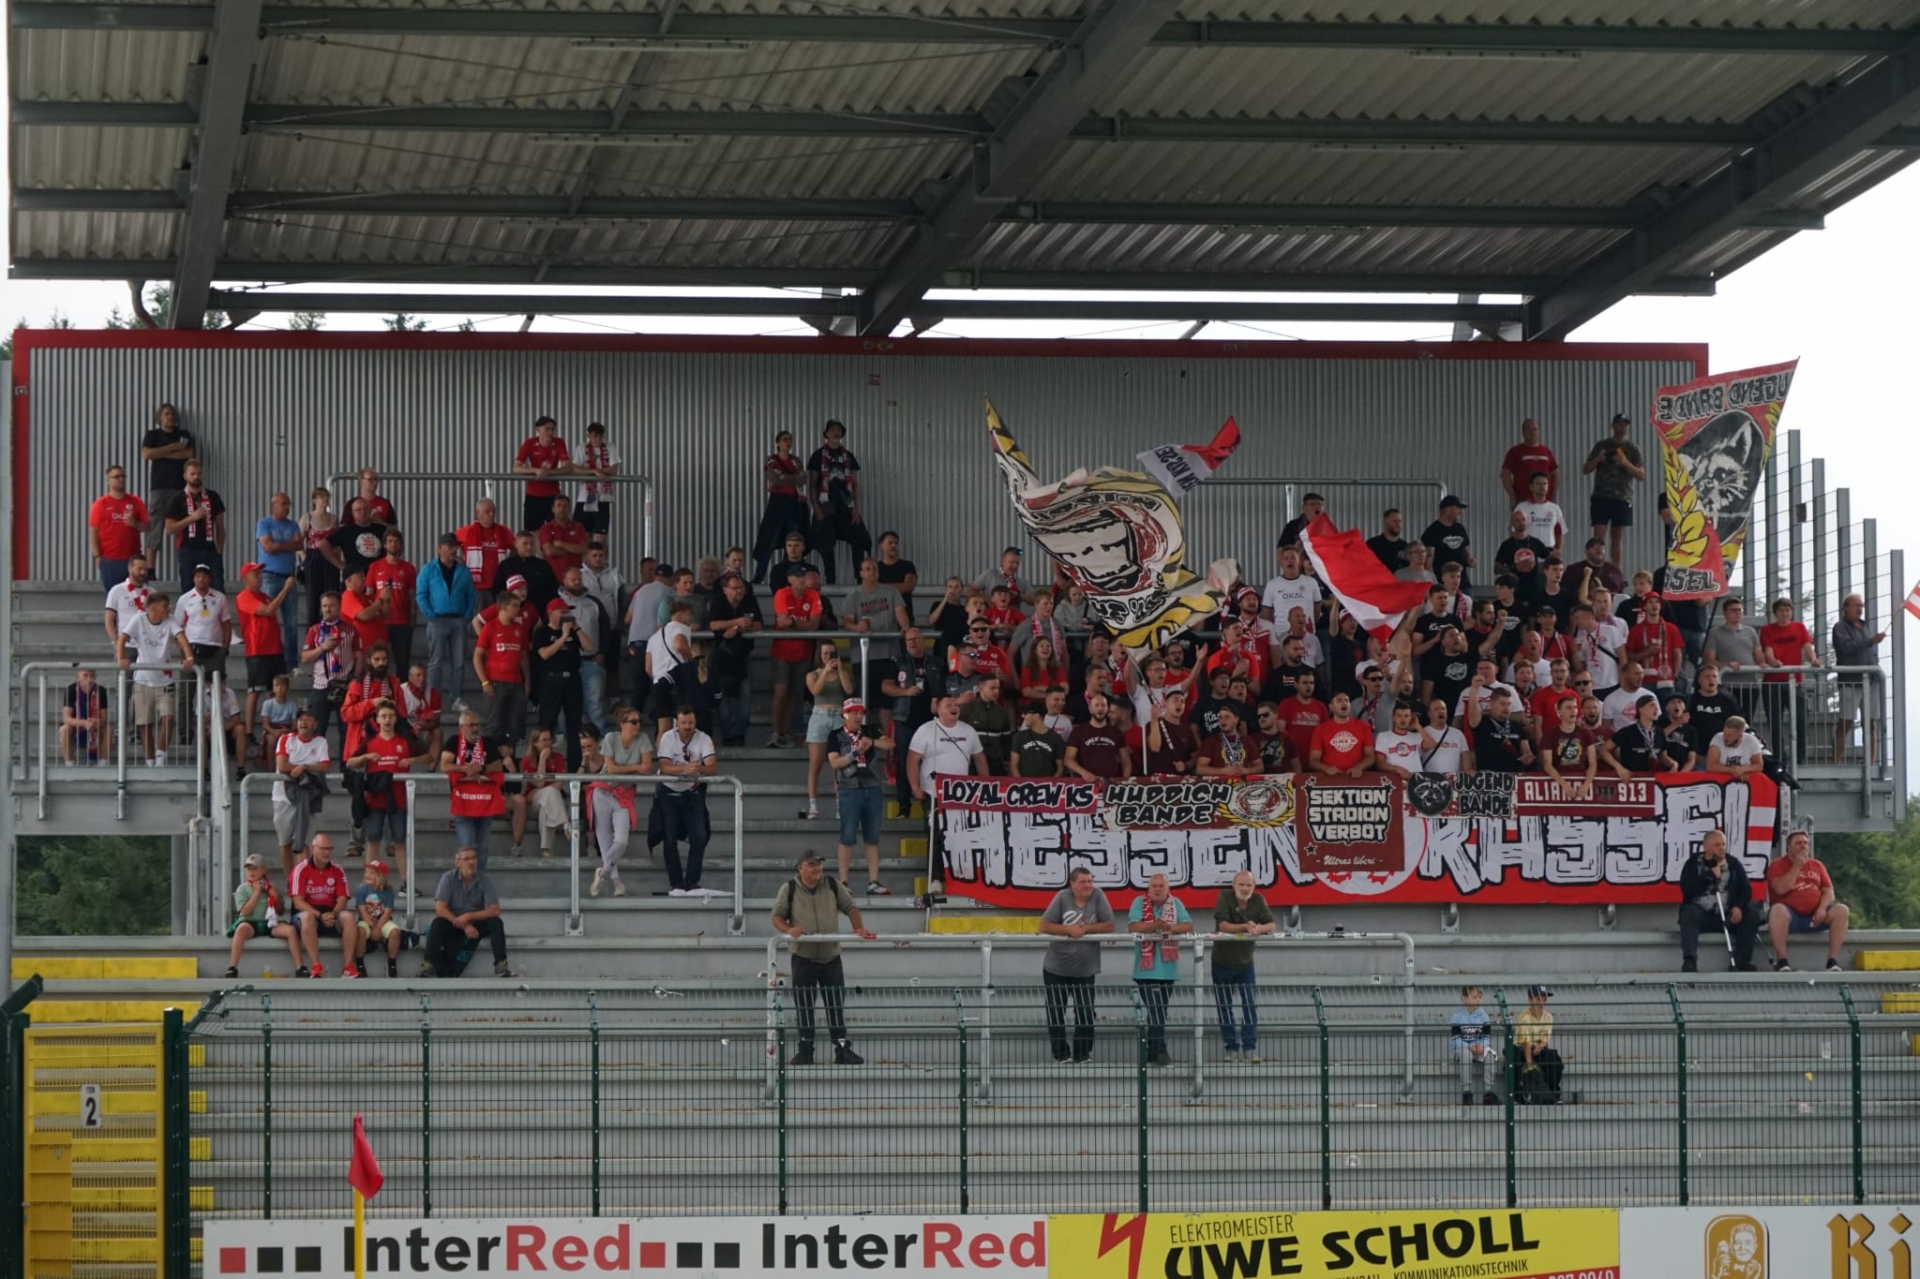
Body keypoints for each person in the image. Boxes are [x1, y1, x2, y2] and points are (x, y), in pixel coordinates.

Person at [770, 850, 876, 1066]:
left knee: (836, 1006)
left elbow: (851, 907)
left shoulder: (833, 885)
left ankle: (842, 1050)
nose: (818, 868)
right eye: (812, 864)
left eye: (819, 864)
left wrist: (859, 928)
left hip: (831, 957)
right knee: (805, 1008)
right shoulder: (788, 889)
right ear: (800, 867)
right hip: (803, 957)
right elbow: (777, 916)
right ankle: (806, 1051)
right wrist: (789, 929)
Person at [906, 695, 989, 896]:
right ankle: (935, 878)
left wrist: (986, 786)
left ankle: (961, 877)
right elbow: (911, 760)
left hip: (962, 795)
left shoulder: (968, 731)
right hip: (933, 793)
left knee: (961, 836)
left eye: (956, 705)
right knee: (935, 834)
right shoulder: (926, 730)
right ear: (938, 709)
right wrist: (915, 787)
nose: (954, 708)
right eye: (948, 705)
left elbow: (979, 759)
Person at [1037, 866, 1114, 1063]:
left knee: (1086, 1011)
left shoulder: (1098, 896)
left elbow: (1109, 925)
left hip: (1086, 968)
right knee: (1055, 1011)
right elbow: (1044, 925)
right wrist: (1068, 930)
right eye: (1083, 882)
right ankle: (1061, 1055)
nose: (1088, 885)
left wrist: (1086, 928)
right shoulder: (1062, 897)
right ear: (1072, 884)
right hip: (1056, 968)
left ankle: (1082, 1054)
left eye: (1090, 881)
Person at [117, 591, 191, 766]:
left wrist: (189, 658)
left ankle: (160, 756)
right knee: (144, 723)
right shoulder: (139, 619)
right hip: (143, 680)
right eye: (165, 606)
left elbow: (182, 638)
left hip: (165, 679)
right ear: (153, 608)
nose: (168, 609)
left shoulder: (170, 619)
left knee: (168, 717)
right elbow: (122, 639)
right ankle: (149, 761)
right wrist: (121, 658)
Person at [828, 699, 892, 895]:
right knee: (847, 835)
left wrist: (871, 742)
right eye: (853, 712)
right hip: (849, 788)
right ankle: (844, 883)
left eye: (860, 713)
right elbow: (834, 763)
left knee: (872, 836)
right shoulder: (835, 735)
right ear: (845, 715)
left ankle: (873, 881)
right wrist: (856, 752)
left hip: (872, 786)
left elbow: (890, 743)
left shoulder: (870, 730)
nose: (857, 717)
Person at [1127, 873, 1192, 1068]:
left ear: (1168, 889)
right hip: (1145, 971)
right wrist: (1154, 925)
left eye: (1161, 886)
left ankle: (1150, 1053)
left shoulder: (1175, 903)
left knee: (1158, 1013)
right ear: (1148, 889)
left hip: (1168, 970)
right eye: (1154, 885)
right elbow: (1133, 926)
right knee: (1156, 1012)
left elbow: (1188, 925)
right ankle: (1161, 1051)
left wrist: (1169, 927)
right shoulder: (1139, 902)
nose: (1157, 889)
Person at [587, 710, 653, 897]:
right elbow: (612, 768)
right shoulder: (610, 737)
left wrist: (635, 769)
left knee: (621, 840)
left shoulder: (643, 739)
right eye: (633, 722)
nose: (638, 725)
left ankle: (602, 872)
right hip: (603, 792)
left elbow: (647, 769)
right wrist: (636, 768)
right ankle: (617, 884)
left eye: (639, 721)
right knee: (606, 842)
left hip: (622, 794)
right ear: (622, 724)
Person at [349, 702, 420, 876]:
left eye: (390, 716)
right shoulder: (370, 742)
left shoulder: (404, 740)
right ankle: (370, 881)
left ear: (395, 719)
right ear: (377, 720)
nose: (387, 719)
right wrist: (365, 757)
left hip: (399, 798)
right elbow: (349, 762)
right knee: (373, 839)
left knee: (400, 841)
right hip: (376, 798)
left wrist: (412, 761)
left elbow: (429, 756)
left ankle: (406, 884)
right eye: (384, 716)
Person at [1211, 870, 1274, 1063]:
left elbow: (1271, 924)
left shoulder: (1258, 900)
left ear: (1253, 887)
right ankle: (1231, 1048)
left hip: (1246, 963)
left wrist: (1259, 929)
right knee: (1224, 1007)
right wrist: (1246, 927)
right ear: (1234, 885)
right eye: (1241, 885)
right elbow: (1222, 925)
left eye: (1249, 885)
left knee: (1249, 1005)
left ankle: (1249, 1048)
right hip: (1221, 962)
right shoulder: (1224, 897)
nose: (1245, 888)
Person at [1766, 830, 1850, 972]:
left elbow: (1829, 892)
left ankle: (1832, 960)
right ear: (1789, 847)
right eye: (1798, 843)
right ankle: (1782, 961)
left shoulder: (1817, 865)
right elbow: (1780, 889)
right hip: (1791, 917)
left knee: (1842, 910)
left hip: (1816, 915)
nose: (1803, 846)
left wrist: (1822, 908)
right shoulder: (1777, 865)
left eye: (1805, 843)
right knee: (1777, 910)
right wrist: (1797, 866)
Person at [655, 706, 717, 896]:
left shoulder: (704, 738)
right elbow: (664, 766)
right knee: (670, 840)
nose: (687, 727)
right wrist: (685, 768)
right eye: (683, 723)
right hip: (668, 793)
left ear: (695, 722)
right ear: (677, 723)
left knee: (700, 837)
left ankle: (691, 882)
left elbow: (713, 767)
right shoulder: (667, 737)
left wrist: (698, 769)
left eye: (690, 722)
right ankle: (676, 884)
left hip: (692, 793)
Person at [422, 846, 509, 978]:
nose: (471, 862)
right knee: (438, 923)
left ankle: (501, 965)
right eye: (467, 859)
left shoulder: (485, 880)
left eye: (474, 858)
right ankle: (429, 965)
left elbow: (495, 910)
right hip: (454, 921)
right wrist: (464, 924)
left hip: (477, 921)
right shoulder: (448, 878)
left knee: (496, 923)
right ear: (457, 862)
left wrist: (469, 916)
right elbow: (440, 909)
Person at [1678, 829, 1758, 972]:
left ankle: (1741, 961)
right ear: (1706, 847)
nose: (1721, 848)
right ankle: (1690, 960)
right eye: (1716, 845)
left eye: (1723, 844)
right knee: (1688, 913)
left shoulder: (1733, 863)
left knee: (1751, 914)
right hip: (1703, 914)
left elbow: (1746, 889)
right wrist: (1709, 875)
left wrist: (1739, 906)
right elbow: (1688, 889)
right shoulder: (1693, 863)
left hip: (1728, 915)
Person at [415, 533, 477, 710]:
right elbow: (421, 595)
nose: (453, 549)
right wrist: (430, 615)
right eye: (449, 546)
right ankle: (434, 700)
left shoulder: (463, 571)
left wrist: (466, 616)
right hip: (438, 620)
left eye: (455, 546)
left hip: (458, 620)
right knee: (436, 661)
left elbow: (471, 595)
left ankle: (456, 699)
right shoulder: (428, 570)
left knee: (458, 663)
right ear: (439, 548)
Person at [236, 561, 294, 745]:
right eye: (255, 574)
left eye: (260, 573)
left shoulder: (264, 596)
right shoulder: (244, 597)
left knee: (273, 691)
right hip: (257, 649)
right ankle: (249, 731)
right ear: (245, 578)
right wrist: (285, 589)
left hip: (274, 648)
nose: (259, 577)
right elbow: (269, 612)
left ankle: (272, 727)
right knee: (255, 691)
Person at [769, 563, 825, 748]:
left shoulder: (814, 595)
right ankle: (777, 732)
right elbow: (782, 622)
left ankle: (785, 733)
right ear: (790, 579)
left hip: (803, 652)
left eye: (804, 577)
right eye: (798, 577)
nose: (801, 581)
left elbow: (814, 625)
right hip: (782, 651)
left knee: (795, 694)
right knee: (781, 692)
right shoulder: (782, 594)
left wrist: (792, 622)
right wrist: (801, 624)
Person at [534, 597, 592, 770]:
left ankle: (575, 771)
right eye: (563, 612)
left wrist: (577, 629)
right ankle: (544, 768)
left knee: (575, 727)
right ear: (551, 613)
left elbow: (590, 647)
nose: (567, 615)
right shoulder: (542, 633)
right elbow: (544, 654)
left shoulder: (573, 632)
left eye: (568, 611)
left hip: (572, 680)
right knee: (547, 725)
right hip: (551, 680)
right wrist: (563, 636)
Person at [808, 419, 869, 584]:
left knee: (859, 538)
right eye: (833, 429)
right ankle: (831, 580)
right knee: (826, 542)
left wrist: (856, 508)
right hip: (826, 505)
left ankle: (860, 579)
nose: (836, 432)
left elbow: (855, 485)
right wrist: (816, 507)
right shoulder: (818, 455)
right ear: (826, 433)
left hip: (846, 504)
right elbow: (812, 485)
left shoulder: (848, 456)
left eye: (839, 430)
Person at [1581, 412, 1645, 567]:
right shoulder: (1602, 445)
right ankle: (1596, 568)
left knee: (1617, 537)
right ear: (1613, 425)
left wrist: (1625, 463)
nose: (1622, 427)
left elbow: (1641, 475)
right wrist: (1597, 459)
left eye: (1625, 424)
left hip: (1622, 497)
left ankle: (1616, 571)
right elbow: (1585, 469)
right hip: (1601, 497)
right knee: (1598, 536)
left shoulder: (1631, 448)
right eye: (1619, 423)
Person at [224, 854, 303, 979]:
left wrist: (274, 897)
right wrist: (256, 893)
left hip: (268, 922)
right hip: (250, 922)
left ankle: (300, 967)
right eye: (249, 869)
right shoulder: (242, 889)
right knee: (241, 929)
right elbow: (245, 912)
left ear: (263, 870)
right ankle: (233, 967)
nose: (251, 872)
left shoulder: (272, 887)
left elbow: (280, 911)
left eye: (255, 869)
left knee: (290, 930)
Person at [1830, 593, 1886, 766]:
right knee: (1846, 722)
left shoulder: (1865, 626)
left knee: (1871, 723)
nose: (1860, 609)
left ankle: (1871, 763)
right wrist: (1870, 641)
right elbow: (1846, 647)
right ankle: (1837, 762)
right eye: (1856, 605)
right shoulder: (1839, 627)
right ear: (1846, 608)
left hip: (1870, 681)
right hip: (1851, 681)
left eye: (1861, 605)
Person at [273, 707, 330, 877]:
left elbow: (325, 766)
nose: (303, 722)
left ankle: (303, 884)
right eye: (300, 719)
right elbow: (282, 765)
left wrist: (304, 768)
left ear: (315, 723)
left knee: (305, 842)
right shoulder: (285, 739)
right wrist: (302, 769)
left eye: (308, 718)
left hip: (308, 796)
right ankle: (291, 882)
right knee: (285, 843)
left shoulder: (321, 742)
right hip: (283, 797)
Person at [474, 592, 531, 749]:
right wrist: (485, 682)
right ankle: (492, 761)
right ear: (504, 607)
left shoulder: (519, 629)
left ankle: (512, 765)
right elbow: (477, 657)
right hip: (496, 681)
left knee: (515, 725)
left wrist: (527, 681)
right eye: (515, 606)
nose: (518, 609)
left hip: (516, 682)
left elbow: (523, 657)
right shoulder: (490, 628)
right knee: (494, 725)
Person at [290, 833, 352, 978]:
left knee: (348, 917)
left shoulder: (337, 869)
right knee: (307, 917)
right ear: (313, 848)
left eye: (330, 849)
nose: (327, 852)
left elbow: (343, 898)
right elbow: (298, 902)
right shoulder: (301, 869)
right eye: (323, 849)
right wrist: (319, 915)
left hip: (330, 914)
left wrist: (334, 914)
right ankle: (316, 965)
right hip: (307, 913)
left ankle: (348, 966)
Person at [752, 430, 810, 583]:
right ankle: (759, 577)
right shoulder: (771, 460)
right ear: (778, 443)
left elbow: (803, 479)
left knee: (792, 542)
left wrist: (786, 477)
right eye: (784, 439)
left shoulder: (796, 461)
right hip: (777, 503)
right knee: (769, 541)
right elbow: (775, 480)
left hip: (794, 504)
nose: (787, 442)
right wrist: (793, 478)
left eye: (789, 439)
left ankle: (791, 577)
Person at [140, 402, 194, 565]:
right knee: (155, 527)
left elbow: (189, 454)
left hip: (181, 488)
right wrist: (174, 447)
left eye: (172, 414)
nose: (170, 417)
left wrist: (161, 453)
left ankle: (186, 567)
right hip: (159, 488)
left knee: (184, 527)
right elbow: (147, 454)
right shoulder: (153, 435)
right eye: (166, 414)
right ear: (160, 417)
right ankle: (150, 569)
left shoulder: (184, 434)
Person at [90, 463, 151, 594]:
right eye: (116, 476)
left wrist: (135, 523)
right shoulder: (100, 504)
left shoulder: (136, 502)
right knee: (114, 596)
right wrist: (97, 556)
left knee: (138, 595)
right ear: (108, 480)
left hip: (133, 558)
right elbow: (93, 531)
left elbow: (147, 527)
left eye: (123, 476)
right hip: (110, 559)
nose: (121, 479)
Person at [366, 530, 418, 671]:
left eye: (396, 541)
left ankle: (400, 692)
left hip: (402, 623)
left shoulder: (408, 568)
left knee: (402, 663)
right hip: (380, 622)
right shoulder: (375, 567)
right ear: (384, 544)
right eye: (389, 541)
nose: (393, 544)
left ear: (401, 545)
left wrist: (412, 621)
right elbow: (369, 595)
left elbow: (412, 596)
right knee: (378, 663)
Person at [519, 726, 574, 860]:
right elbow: (539, 783)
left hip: (552, 797)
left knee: (547, 806)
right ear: (535, 743)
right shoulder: (526, 760)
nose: (548, 743)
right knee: (549, 792)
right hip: (534, 798)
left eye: (549, 740)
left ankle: (546, 849)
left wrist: (549, 790)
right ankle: (565, 822)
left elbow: (560, 783)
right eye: (544, 740)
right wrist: (543, 759)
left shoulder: (558, 757)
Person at [513, 415, 571, 532]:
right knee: (533, 532)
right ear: (538, 429)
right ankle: (536, 551)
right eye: (547, 429)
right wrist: (535, 470)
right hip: (533, 495)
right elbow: (516, 467)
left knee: (556, 530)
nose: (550, 432)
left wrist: (547, 472)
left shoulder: (559, 442)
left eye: (552, 429)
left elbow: (567, 467)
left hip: (553, 495)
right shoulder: (530, 443)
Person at [456, 498, 516, 606]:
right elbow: (448, 546)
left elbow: (516, 547)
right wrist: (460, 563)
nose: (492, 514)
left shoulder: (503, 531)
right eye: (487, 511)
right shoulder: (466, 531)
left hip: (499, 585)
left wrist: (509, 563)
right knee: (478, 620)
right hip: (477, 587)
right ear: (478, 513)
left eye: (493, 511)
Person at [298, 486, 342, 636]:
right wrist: (305, 558)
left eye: (327, 497)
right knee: (313, 598)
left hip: (330, 559)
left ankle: (333, 631)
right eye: (321, 497)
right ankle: (313, 636)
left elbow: (337, 543)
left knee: (332, 595)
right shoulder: (307, 518)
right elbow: (298, 541)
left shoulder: (334, 519)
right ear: (314, 500)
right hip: (313, 557)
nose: (325, 500)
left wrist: (338, 560)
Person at [173, 561, 231, 673]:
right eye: (198, 576)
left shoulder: (220, 598)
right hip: (191, 646)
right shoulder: (184, 599)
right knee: (188, 686)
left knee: (216, 686)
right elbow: (177, 627)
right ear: (193, 579)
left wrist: (224, 649)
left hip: (215, 646)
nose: (201, 579)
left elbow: (227, 625)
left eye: (204, 576)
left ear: (210, 579)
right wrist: (182, 649)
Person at [1511, 985, 1564, 1106]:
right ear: (1530, 1000)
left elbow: (1546, 1038)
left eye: (1544, 999)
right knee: (1515, 1062)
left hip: (1538, 1047)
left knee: (1555, 1061)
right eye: (1538, 999)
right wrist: (1530, 1064)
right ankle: (1518, 1096)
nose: (1542, 1003)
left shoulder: (1548, 1016)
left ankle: (1553, 1094)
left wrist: (1541, 1046)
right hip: (1521, 1048)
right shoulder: (1524, 1017)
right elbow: (1526, 1042)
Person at [349, 859, 402, 979]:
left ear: (380, 876)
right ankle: (360, 963)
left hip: (383, 921)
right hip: (366, 921)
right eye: (366, 872)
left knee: (395, 932)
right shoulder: (362, 890)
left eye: (372, 873)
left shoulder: (388, 891)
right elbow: (362, 910)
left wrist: (378, 927)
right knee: (361, 931)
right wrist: (373, 926)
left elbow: (387, 911)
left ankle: (392, 962)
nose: (367, 875)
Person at [322, 496, 388, 590]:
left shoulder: (382, 530)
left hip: (378, 577)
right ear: (353, 513)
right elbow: (323, 545)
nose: (362, 512)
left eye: (365, 509)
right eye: (358, 510)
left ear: (370, 511)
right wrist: (340, 565)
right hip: (354, 579)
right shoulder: (346, 530)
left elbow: (394, 545)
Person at [1539, 693, 1597, 799]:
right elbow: (1548, 765)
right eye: (1568, 708)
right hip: (1558, 781)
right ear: (1559, 711)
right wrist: (1564, 785)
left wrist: (1586, 785)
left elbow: (1593, 763)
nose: (1573, 710)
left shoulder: (1586, 733)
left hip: (1581, 779)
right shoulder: (1550, 734)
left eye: (1575, 707)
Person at [1450, 985, 1498, 1106]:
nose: (1478, 1000)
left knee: (1490, 1055)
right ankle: (1467, 1093)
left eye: (1480, 997)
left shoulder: (1484, 1016)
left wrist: (1482, 1045)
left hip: (1479, 1048)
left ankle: (1488, 1093)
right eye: (1475, 997)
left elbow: (1487, 1037)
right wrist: (1468, 1046)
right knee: (1465, 1053)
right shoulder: (1457, 1017)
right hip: (1463, 1049)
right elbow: (1455, 1039)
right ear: (1465, 999)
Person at [571, 421, 620, 538]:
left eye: (600, 436)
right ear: (588, 436)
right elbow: (574, 468)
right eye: (594, 436)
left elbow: (614, 469)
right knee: (583, 537)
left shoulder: (610, 447)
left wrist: (599, 471)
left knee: (601, 537)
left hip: (603, 497)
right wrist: (593, 471)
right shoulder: (581, 448)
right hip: (584, 497)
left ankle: (600, 556)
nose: (597, 439)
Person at [1065, 692, 1130, 780]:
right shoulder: (1078, 731)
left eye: (1103, 705)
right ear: (1090, 709)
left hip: (1110, 784)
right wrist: (1084, 773)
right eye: (1096, 705)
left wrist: (1125, 780)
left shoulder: (1116, 732)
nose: (1100, 708)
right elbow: (1068, 759)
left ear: (1107, 709)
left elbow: (1126, 761)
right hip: (1085, 785)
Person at [1308, 692, 1375, 777]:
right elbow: (1313, 760)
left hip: (1356, 777)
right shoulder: (1320, 729)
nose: (1344, 703)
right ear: (1331, 707)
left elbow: (1370, 756)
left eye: (1346, 700)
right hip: (1331, 778)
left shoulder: (1363, 727)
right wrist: (1325, 768)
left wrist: (1359, 767)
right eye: (1339, 700)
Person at [498, 530, 560, 616]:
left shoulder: (543, 565)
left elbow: (552, 590)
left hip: (539, 612)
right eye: (525, 543)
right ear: (516, 544)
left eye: (531, 544)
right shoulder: (506, 565)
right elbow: (499, 591)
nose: (529, 547)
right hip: (512, 613)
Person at [1421, 495, 1475, 590]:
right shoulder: (1432, 531)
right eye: (1458, 508)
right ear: (1448, 509)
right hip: (1443, 584)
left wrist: (1471, 560)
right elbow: (1428, 562)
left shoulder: (1460, 528)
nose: (1460, 512)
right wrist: (1435, 585)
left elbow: (1467, 553)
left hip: (1463, 583)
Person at [60, 667, 111, 766]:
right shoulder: (71, 689)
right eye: (85, 675)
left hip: (94, 725)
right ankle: (69, 765)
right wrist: (84, 723)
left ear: (95, 677)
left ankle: (103, 764)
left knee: (109, 729)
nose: (89, 679)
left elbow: (104, 719)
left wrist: (95, 722)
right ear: (78, 677)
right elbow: (66, 718)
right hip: (76, 726)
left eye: (92, 676)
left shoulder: (100, 690)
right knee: (64, 729)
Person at [1500, 417, 1558, 505]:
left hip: (1545, 500)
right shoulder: (1515, 451)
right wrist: (1512, 495)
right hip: (1523, 500)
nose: (1532, 433)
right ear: (1523, 432)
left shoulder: (1546, 451)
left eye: (1535, 429)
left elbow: (1556, 473)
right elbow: (1505, 474)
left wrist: (1553, 495)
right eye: (1529, 430)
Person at [103, 554, 154, 647]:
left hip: (148, 646)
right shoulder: (117, 590)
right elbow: (109, 619)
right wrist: (117, 642)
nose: (143, 572)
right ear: (130, 568)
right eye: (140, 568)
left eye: (145, 569)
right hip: (126, 645)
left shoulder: (152, 593)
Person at [1513, 470, 1567, 560]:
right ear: (1531, 487)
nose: (1542, 487)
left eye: (1545, 484)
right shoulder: (1522, 507)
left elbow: (1559, 532)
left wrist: (1558, 551)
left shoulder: (1555, 508)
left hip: (1548, 555)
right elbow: (1514, 532)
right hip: (1528, 556)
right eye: (1538, 484)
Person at [538, 494, 590, 580]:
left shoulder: (578, 527)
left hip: (576, 579)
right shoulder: (546, 528)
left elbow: (584, 549)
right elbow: (550, 551)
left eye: (565, 506)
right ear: (553, 509)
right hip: (552, 578)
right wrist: (574, 550)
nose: (562, 508)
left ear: (569, 509)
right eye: (559, 505)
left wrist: (560, 544)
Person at [1706, 715, 1768, 779]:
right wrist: (1733, 771)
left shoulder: (1751, 740)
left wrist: (1743, 769)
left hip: (1746, 778)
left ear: (1740, 736)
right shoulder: (1718, 738)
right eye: (1725, 733)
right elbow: (1710, 766)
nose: (1725, 737)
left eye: (1730, 735)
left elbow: (1759, 765)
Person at [874, 530, 917, 620]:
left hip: (905, 619)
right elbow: (871, 589)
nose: (894, 545)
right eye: (890, 543)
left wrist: (881, 588)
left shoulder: (908, 565)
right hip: (881, 619)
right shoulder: (874, 568)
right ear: (881, 546)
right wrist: (898, 587)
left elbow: (909, 586)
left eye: (896, 543)